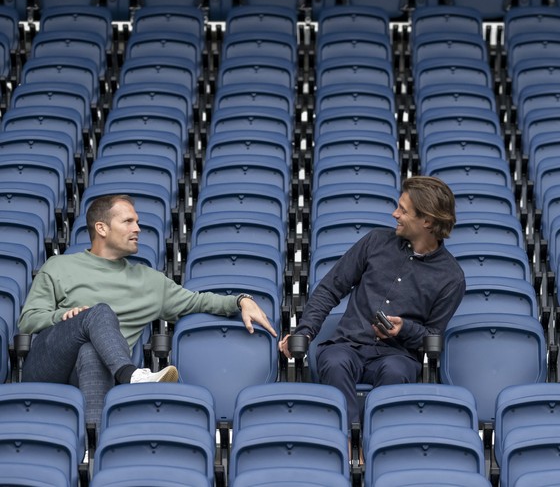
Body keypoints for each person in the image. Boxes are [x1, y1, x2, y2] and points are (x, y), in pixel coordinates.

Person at [18, 194, 277, 425]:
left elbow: (197, 301)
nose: (138, 229)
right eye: (128, 222)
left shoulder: (149, 281)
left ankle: (91, 449)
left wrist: (241, 300)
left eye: (137, 222)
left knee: (91, 352)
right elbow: (27, 321)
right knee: (99, 312)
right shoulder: (59, 265)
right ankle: (132, 376)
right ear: (102, 228)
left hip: (97, 373)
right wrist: (62, 316)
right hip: (47, 366)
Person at [280, 176, 466, 424]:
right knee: (334, 362)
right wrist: (305, 332)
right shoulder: (375, 241)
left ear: (427, 221)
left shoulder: (451, 277)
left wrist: (403, 329)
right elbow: (329, 289)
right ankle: (342, 442)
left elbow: (432, 337)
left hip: (396, 355)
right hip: (347, 344)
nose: (394, 214)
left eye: (403, 210)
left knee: (396, 373)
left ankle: (377, 445)